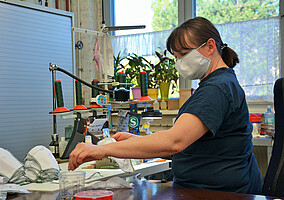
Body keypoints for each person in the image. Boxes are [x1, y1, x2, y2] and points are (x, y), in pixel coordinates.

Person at [68, 17, 262, 194]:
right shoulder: (217, 84)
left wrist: (101, 150)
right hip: (206, 188)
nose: (180, 62)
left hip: (218, 193)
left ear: (210, 46)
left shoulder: (217, 88)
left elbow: (175, 142)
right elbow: (187, 139)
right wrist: (134, 140)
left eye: (184, 54)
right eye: (177, 57)